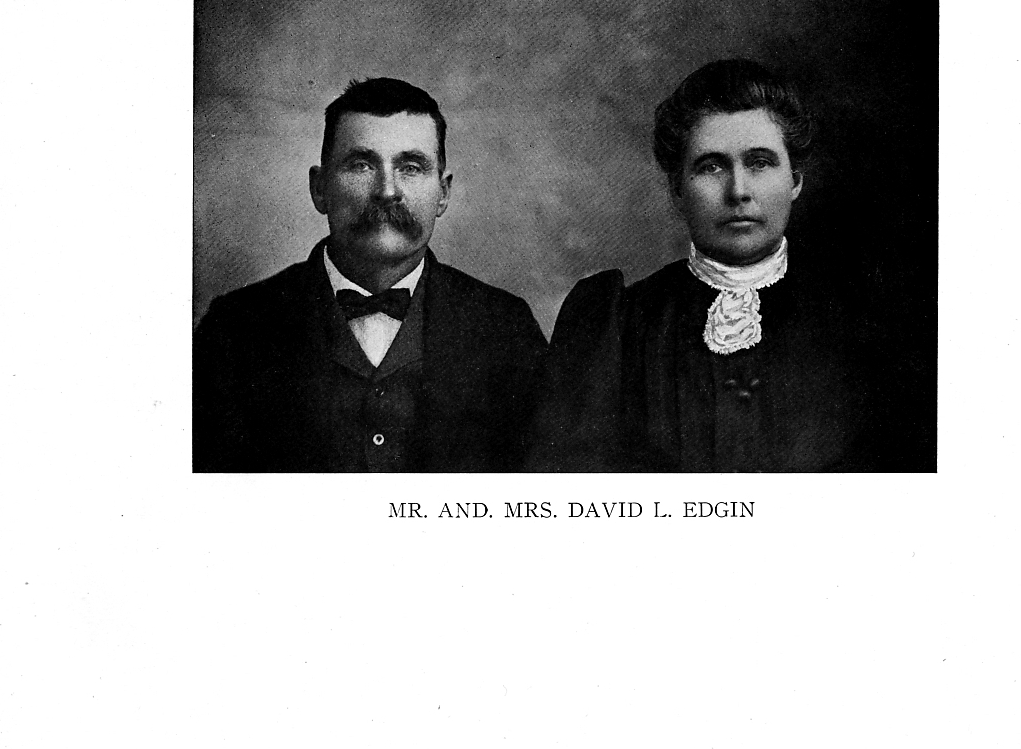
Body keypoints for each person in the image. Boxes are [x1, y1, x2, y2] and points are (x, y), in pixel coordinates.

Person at [527, 58, 927, 472]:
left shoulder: (862, 316)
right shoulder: (618, 324)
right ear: (677, 190)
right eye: (712, 166)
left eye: (760, 162)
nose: (738, 191)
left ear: (795, 180)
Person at [194, 77, 547, 472]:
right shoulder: (234, 329)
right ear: (320, 188)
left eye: (411, 167)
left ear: (443, 193)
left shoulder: (506, 326)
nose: (387, 190)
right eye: (361, 165)